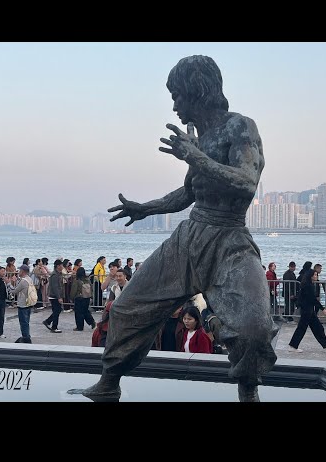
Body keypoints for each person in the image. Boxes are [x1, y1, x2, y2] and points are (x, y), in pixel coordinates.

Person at [75, 55, 279, 403]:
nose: (174, 105)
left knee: (253, 329)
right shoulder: (199, 137)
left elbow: (246, 182)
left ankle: (248, 390)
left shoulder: (241, 127)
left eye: (178, 96)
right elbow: (190, 191)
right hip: (190, 237)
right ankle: (109, 381)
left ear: (197, 91)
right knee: (127, 309)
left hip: (230, 239)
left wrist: (193, 155)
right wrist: (145, 208)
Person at [288, 270, 326, 353]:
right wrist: (323, 309)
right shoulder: (308, 286)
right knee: (302, 328)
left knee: (318, 327)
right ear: (310, 276)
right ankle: (293, 346)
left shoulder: (309, 285)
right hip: (307, 310)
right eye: (315, 275)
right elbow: (312, 299)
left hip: (309, 309)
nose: (316, 276)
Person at [8, 264, 35, 343]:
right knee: (26, 321)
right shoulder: (29, 279)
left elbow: (15, 291)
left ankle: (26, 338)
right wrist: (16, 281)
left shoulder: (23, 281)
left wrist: (9, 283)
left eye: (20, 270)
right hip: (28, 303)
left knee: (23, 322)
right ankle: (27, 336)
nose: (18, 272)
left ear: (23, 271)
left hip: (22, 304)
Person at [69, 267, 96, 331]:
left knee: (78, 313)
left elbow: (74, 290)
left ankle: (79, 327)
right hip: (87, 297)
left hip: (79, 298)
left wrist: (71, 298)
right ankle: (92, 322)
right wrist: (91, 296)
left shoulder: (77, 280)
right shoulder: (87, 279)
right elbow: (91, 288)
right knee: (85, 311)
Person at [43, 259, 64, 333]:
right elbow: (55, 287)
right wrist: (59, 297)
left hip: (55, 295)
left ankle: (48, 321)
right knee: (56, 311)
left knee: (57, 310)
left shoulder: (59, 274)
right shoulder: (54, 275)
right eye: (61, 265)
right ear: (58, 266)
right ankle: (54, 327)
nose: (62, 267)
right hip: (54, 296)